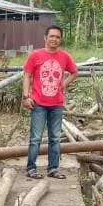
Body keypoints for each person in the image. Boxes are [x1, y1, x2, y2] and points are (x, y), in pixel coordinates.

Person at [22, 25, 78, 179]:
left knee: (54, 138)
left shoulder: (65, 57)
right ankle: (31, 169)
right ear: (45, 37)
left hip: (56, 104)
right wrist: (26, 96)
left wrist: (62, 84)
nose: (54, 39)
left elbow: (74, 72)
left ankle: (53, 169)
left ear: (60, 40)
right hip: (38, 103)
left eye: (58, 37)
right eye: (52, 36)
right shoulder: (36, 55)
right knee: (35, 138)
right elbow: (27, 75)